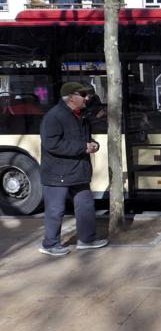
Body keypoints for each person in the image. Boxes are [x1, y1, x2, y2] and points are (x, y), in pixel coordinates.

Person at [38, 82, 109, 256]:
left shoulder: (81, 115)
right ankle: (49, 244)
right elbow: (51, 144)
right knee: (56, 210)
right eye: (83, 95)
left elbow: (85, 139)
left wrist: (93, 144)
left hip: (78, 171)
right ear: (71, 97)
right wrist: (83, 147)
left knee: (85, 205)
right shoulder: (54, 116)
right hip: (57, 173)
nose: (87, 98)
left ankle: (87, 239)